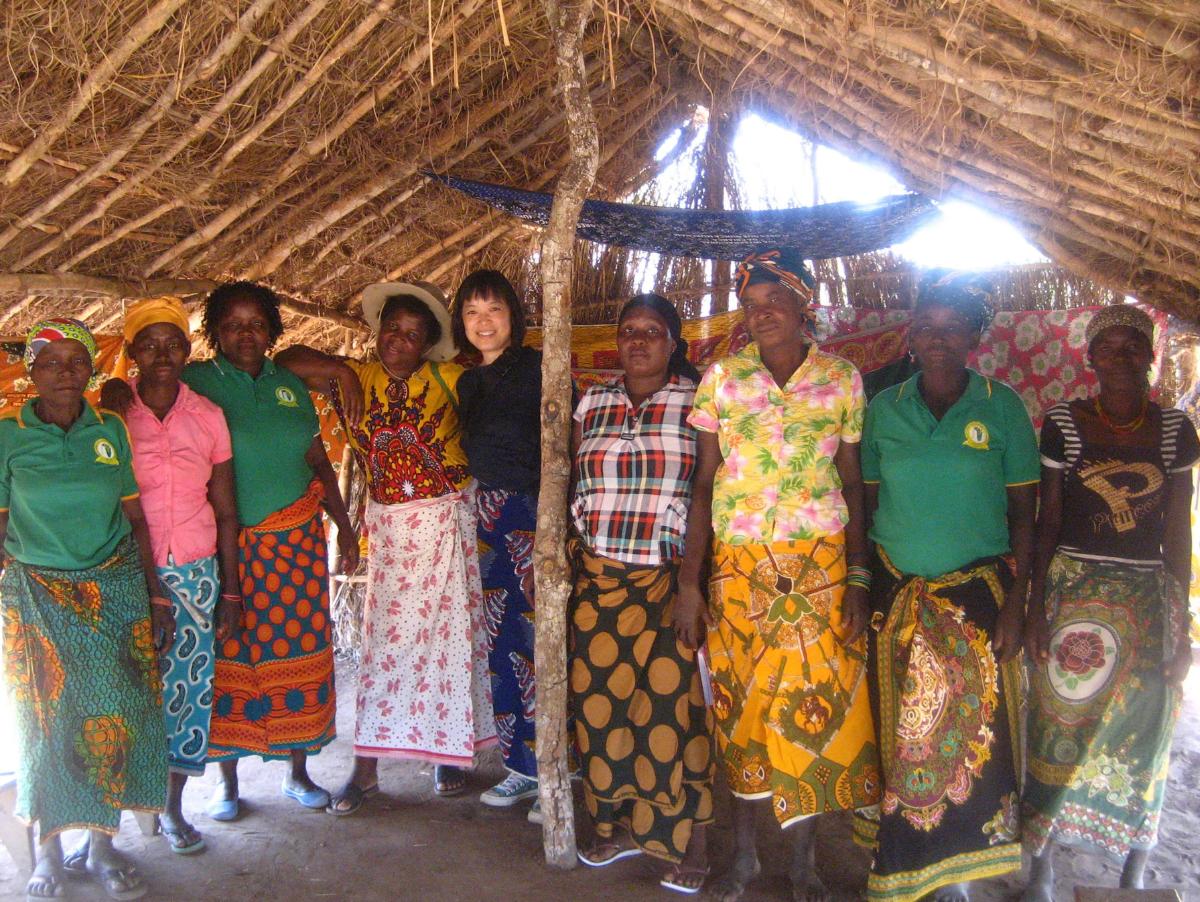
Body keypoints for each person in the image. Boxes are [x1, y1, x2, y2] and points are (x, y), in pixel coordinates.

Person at [105, 281, 358, 819]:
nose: (247, 334)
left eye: (257, 324)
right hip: (233, 551)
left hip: (298, 549)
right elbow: (136, 389)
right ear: (214, 333)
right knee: (229, 661)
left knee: (300, 654)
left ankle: (298, 771)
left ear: (272, 331)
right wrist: (113, 390)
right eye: (234, 325)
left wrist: (347, 527)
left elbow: (317, 460)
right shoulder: (193, 380)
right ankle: (227, 784)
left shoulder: (288, 384)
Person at [677, 249, 880, 902]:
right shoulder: (723, 380)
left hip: (819, 571)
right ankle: (741, 863)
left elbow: (852, 482)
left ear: (803, 305)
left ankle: (804, 868)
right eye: (751, 305)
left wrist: (856, 577)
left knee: (813, 719)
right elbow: (704, 481)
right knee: (741, 716)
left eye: (773, 302)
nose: (761, 314)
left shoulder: (842, 379)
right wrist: (689, 581)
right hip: (739, 574)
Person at [276, 280, 496, 813]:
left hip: (446, 525)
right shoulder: (356, 378)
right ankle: (366, 770)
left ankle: (449, 757)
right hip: (392, 534)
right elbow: (285, 361)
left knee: (451, 646)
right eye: (391, 329)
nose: (399, 340)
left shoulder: (451, 379)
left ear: (428, 344)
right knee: (383, 652)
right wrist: (344, 370)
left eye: (412, 335)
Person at [858, 271, 1036, 902]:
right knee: (902, 740)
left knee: (971, 745)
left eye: (952, 328)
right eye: (927, 328)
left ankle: (956, 874)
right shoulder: (884, 408)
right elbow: (865, 506)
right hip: (898, 596)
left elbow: (1024, 515)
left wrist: (1018, 604)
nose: (938, 340)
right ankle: (912, 868)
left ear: (974, 337)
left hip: (977, 600)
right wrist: (861, 585)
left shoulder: (1001, 404)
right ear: (911, 335)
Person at [1023, 305, 1198, 900]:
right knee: (1057, 724)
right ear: (1090, 357)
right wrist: (1035, 609)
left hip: (1148, 597)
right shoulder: (1064, 423)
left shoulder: (1175, 430)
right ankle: (1042, 865)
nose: (1121, 357)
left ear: (1151, 358)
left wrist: (1185, 628)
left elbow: (1178, 533)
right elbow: (1047, 522)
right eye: (1109, 347)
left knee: (1148, 725)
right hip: (1073, 591)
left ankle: (1135, 869)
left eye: (1134, 348)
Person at [1, 318, 171, 901]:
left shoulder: (110, 430)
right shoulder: (8, 433)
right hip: (36, 595)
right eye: (51, 363)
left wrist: (153, 595)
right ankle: (47, 852)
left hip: (114, 591)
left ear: (91, 369)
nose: (65, 373)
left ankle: (102, 847)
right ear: (32, 373)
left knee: (115, 720)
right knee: (41, 724)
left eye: (77, 361)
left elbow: (135, 516)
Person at [569, 294, 714, 894]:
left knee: (672, 716)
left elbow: (705, 489)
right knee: (597, 708)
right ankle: (611, 826)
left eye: (652, 332)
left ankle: (688, 844)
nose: (638, 341)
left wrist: (690, 587)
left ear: (673, 342)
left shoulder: (696, 400)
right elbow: (564, 476)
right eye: (629, 330)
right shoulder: (592, 399)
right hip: (598, 581)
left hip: (665, 582)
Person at [120, 297, 241, 854]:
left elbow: (225, 507)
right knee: (126, 695)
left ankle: (171, 810)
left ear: (188, 350)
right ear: (131, 353)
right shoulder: (114, 418)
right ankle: (113, 821)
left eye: (173, 344)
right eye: (149, 344)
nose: (162, 354)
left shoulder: (208, 416)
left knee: (186, 696)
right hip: (127, 573)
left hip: (195, 573)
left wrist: (232, 588)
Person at [449, 270, 546, 820]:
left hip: (534, 515)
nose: (484, 322)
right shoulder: (467, 383)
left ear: (514, 315)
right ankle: (520, 769)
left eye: (495, 310)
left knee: (543, 643)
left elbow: (563, 447)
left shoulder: (538, 369)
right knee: (503, 645)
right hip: (487, 517)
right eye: (472, 312)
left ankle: (555, 765)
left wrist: (553, 525)